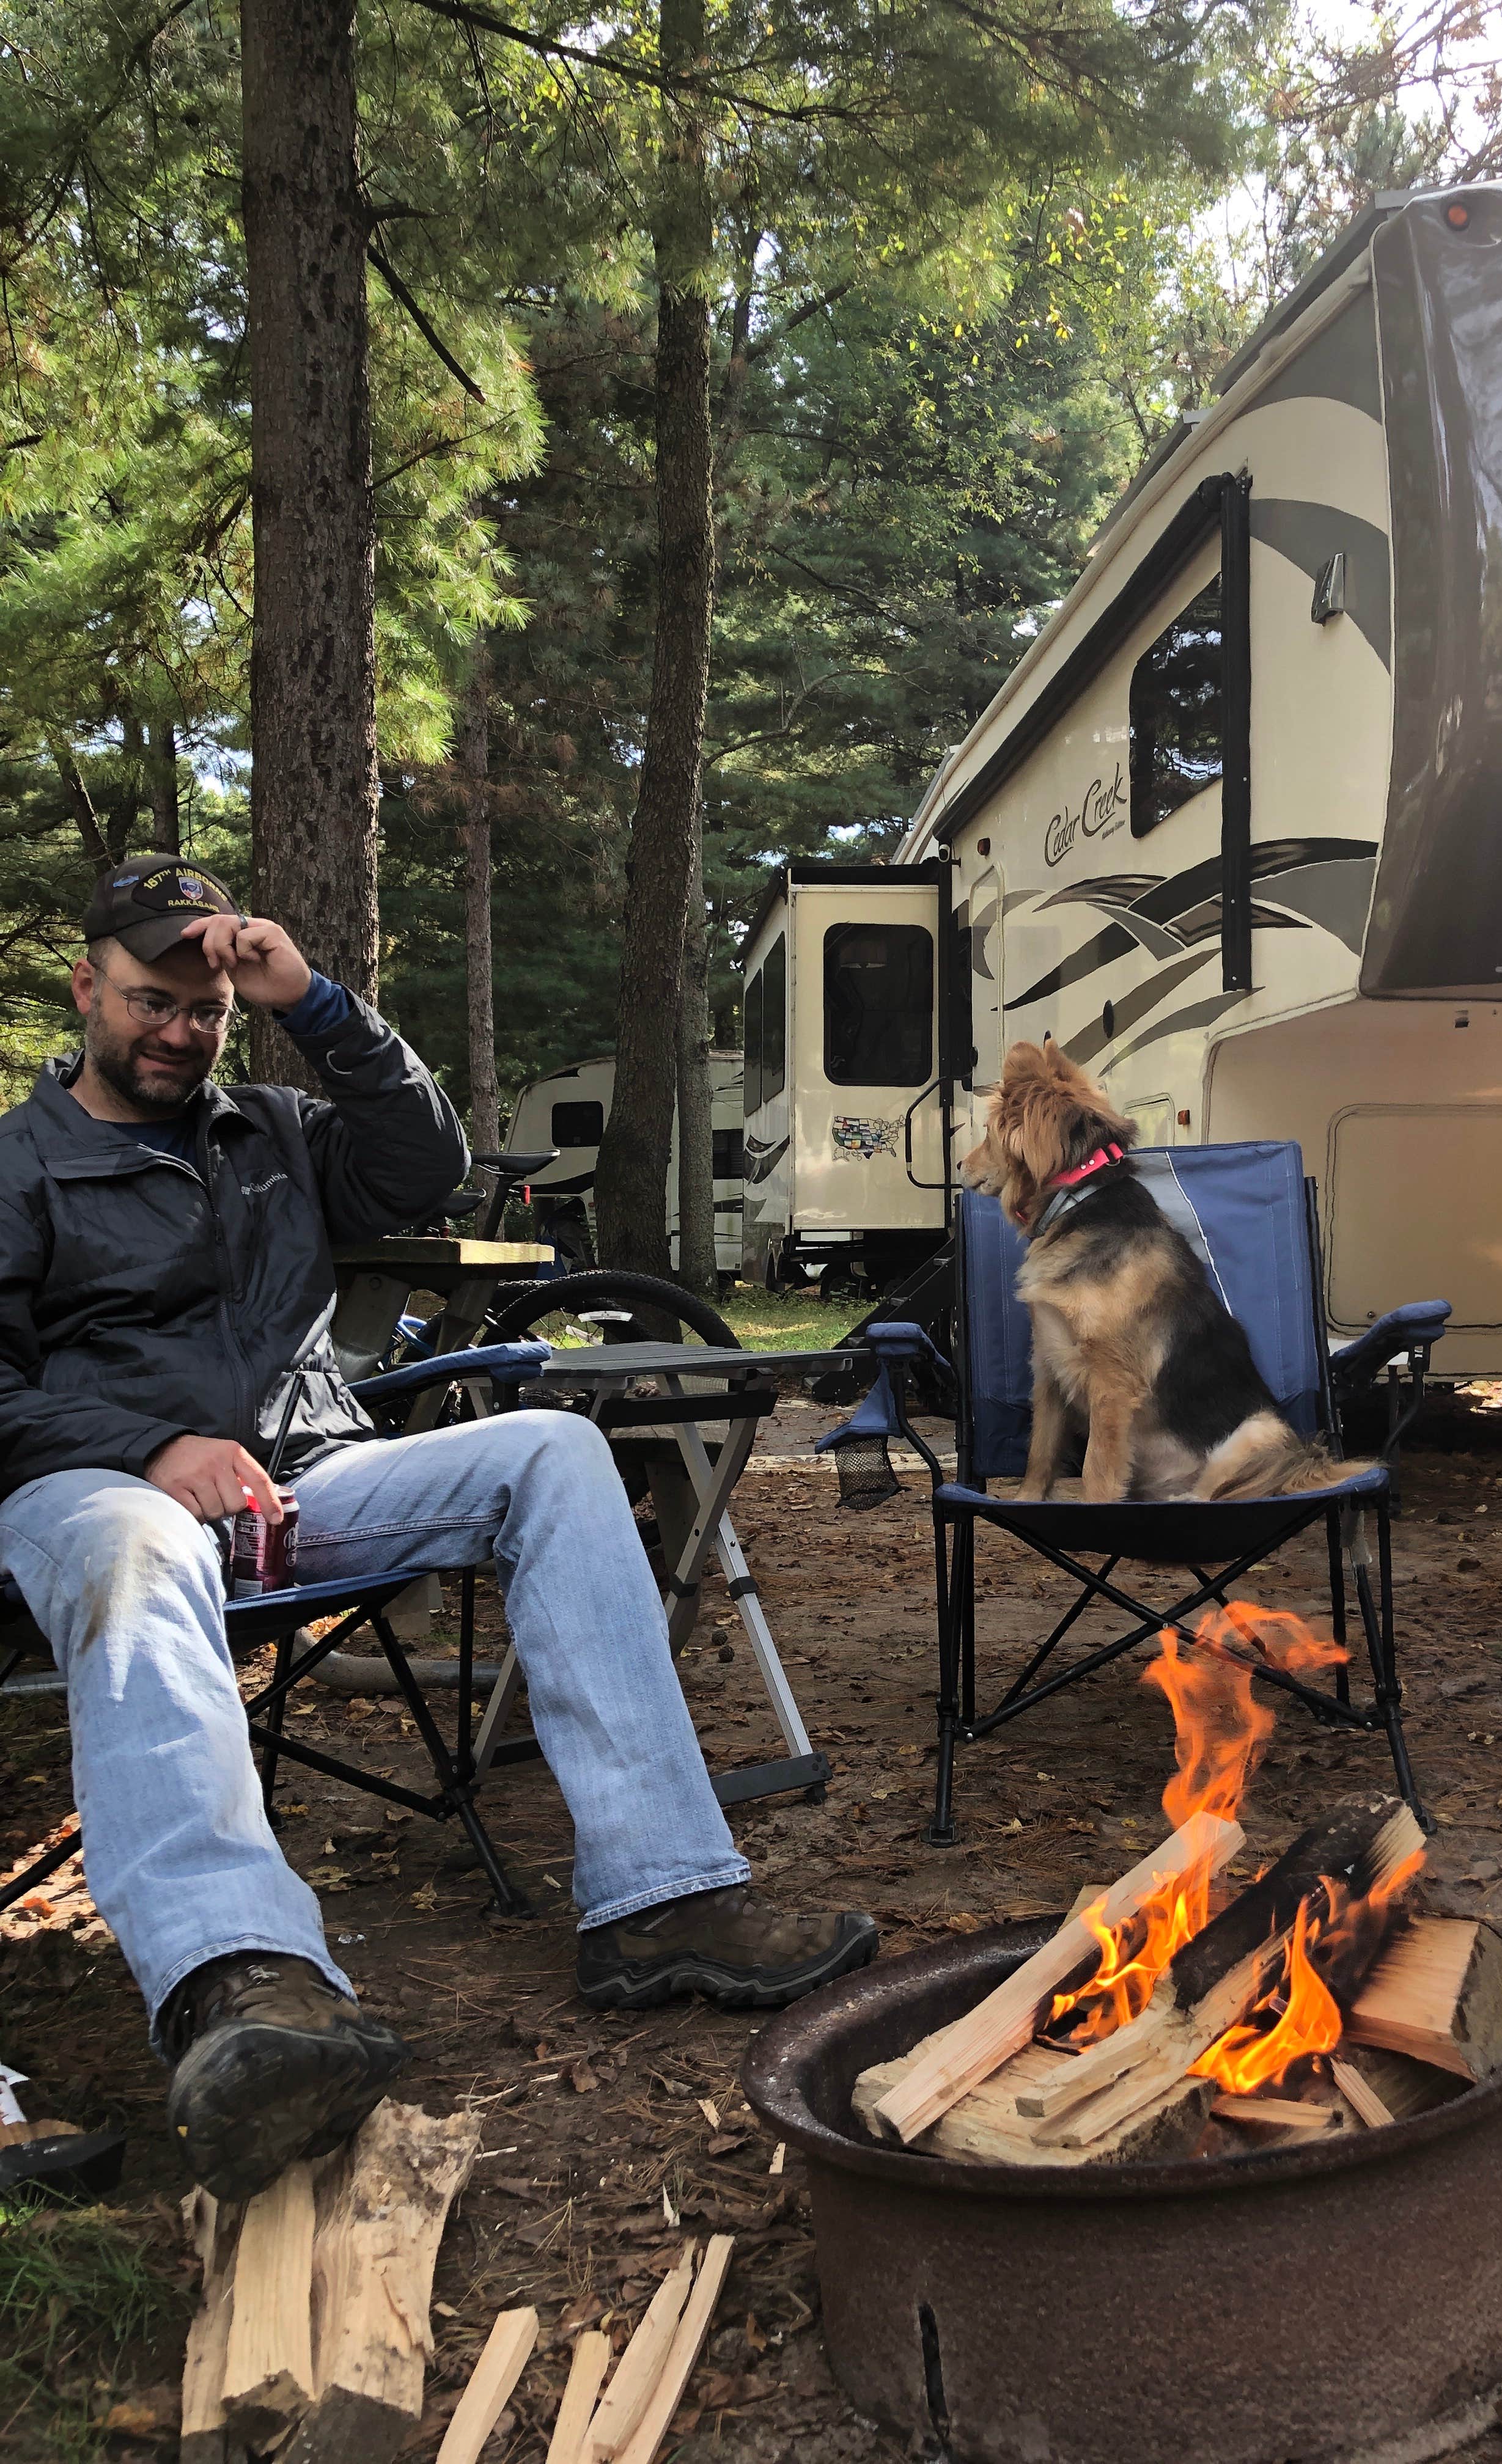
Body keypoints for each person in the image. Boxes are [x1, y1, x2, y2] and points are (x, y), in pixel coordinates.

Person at [0, 856, 875, 2202]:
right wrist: (146, 1449)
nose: (178, 1030)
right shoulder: (18, 1165)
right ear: (85, 989)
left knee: (553, 1451)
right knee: (139, 1543)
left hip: (304, 1477)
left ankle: (660, 1900)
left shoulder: (270, 1132)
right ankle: (248, 1983)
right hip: (96, 1495)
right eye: (149, 1001)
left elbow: (428, 1164)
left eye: (206, 1008)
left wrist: (319, 1005)